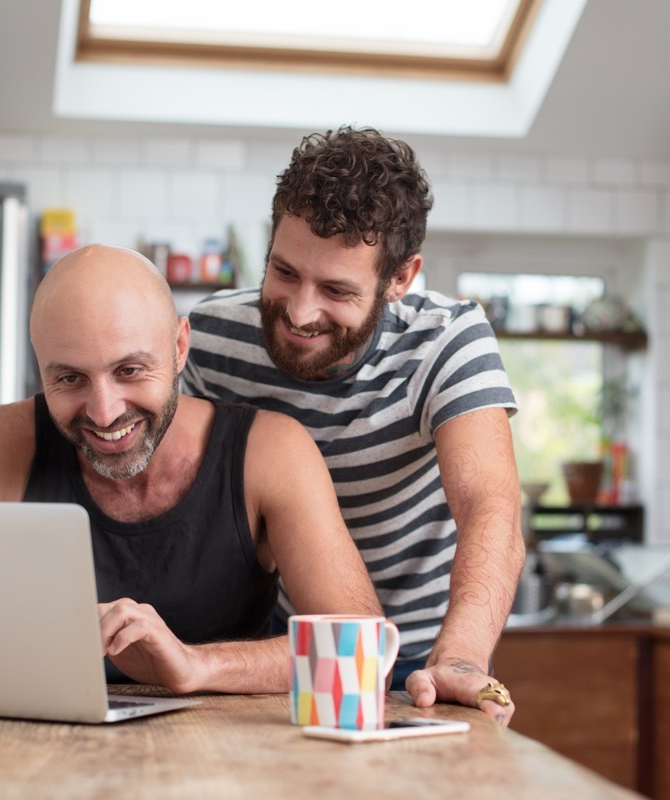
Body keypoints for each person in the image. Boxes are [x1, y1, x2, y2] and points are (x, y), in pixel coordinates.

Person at [182, 126, 525, 724]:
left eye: (336, 289)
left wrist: (463, 659)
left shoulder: (447, 341)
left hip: (422, 660)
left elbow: (488, 505)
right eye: (284, 271)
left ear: (401, 278)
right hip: (276, 652)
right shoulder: (211, 339)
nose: (298, 311)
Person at [0, 243, 381, 695]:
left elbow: (364, 653)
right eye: (69, 379)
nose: (103, 413)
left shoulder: (270, 452)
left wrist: (198, 666)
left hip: (229, 756)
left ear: (180, 346)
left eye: (129, 370)